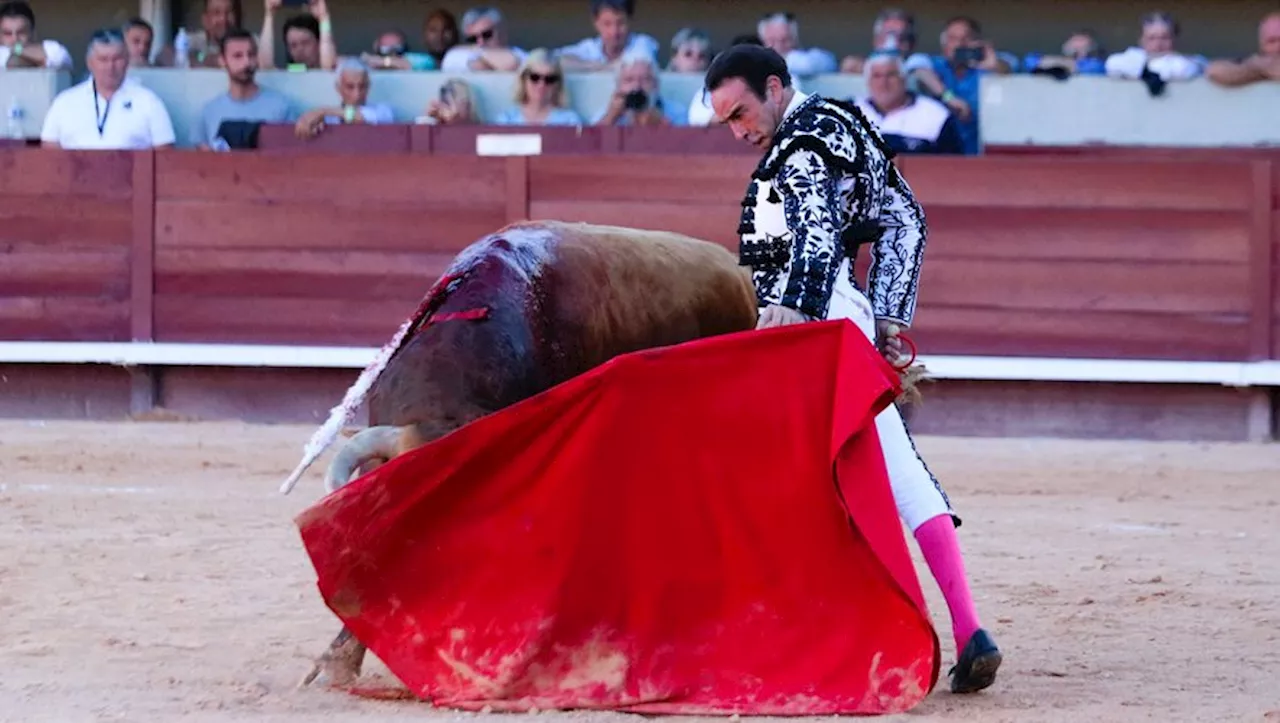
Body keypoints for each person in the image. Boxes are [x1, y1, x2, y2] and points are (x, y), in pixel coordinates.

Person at [703, 44, 1002, 695]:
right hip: (846, 314)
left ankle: (791, 638)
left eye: (742, 112)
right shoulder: (842, 122)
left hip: (811, 322)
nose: (738, 131)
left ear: (776, 87)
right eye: (726, 120)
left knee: (765, 477)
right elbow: (905, 218)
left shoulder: (801, 142)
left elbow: (812, 229)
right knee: (892, 465)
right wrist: (890, 318)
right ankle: (969, 626)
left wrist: (793, 308)